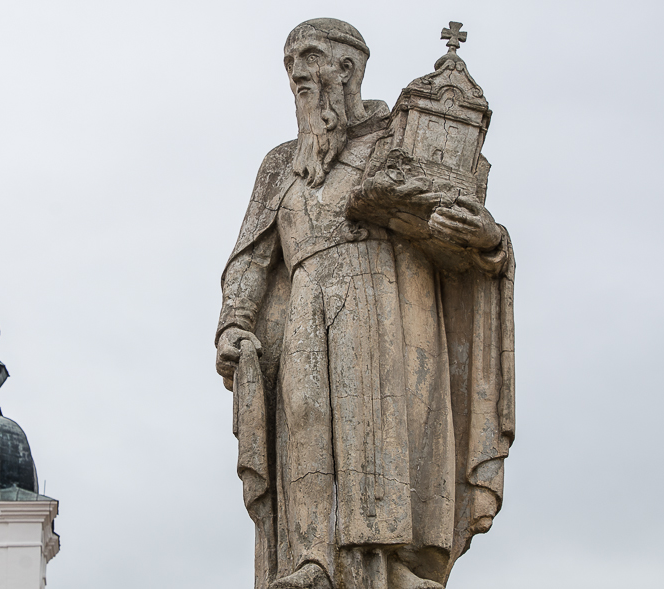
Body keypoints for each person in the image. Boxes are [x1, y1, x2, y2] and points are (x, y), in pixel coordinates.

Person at [216, 19, 515, 589]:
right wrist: (234, 322)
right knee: (305, 418)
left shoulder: (397, 142)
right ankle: (312, 560)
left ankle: (389, 569)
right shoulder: (281, 164)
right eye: (291, 66)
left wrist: (486, 238)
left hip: (393, 306)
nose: (298, 77)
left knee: (381, 431)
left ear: (348, 68)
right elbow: (251, 259)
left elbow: (465, 248)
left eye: (309, 60)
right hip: (308, 301)